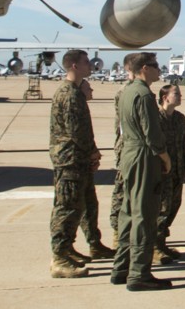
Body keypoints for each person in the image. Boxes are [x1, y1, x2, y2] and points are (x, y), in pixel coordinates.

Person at [110, 52, 173, 291]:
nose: (159, 70)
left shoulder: (126, 92)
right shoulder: (144, 95)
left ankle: (121, 268)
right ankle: (139, 274)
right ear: (145, 68)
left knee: (127, 213)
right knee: (145, 216)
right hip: (144, 156)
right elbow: (152, 134)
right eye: (156, 66)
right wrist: (165, 157)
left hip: (129, 154)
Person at [47, 49, 112, 278]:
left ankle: (70, 249)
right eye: (86, 62)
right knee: (67, 208)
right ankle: (59, 258)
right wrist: (92, 152)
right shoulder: (70, 94)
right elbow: (77, 132)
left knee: (82, 205)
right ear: (74, 65)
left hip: (77, 160)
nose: (90, 66)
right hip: (72, 161)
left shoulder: (73, 92)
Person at [154, 82, 185, 263]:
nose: (180, 97)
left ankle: (161, 244)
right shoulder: (155, 118)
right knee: (161, 210)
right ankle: (155, 247)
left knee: (172, 208)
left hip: (177, 172)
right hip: (162, 173)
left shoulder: (180, 119)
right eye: (176, 94)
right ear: (165, 97)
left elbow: (184, 146)